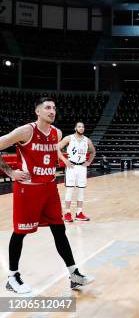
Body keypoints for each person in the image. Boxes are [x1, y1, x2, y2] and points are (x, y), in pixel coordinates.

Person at [0, 97, 94, 294]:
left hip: (49, 188)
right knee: (20, 232)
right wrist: (10, 172)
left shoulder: (57, 133)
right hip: (28, 189)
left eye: (54, 108)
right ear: (38, 111)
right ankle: (12, 276)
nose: (52, 111)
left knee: (59, 230)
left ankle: (74, 274)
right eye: (48, 108)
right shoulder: (26, 131)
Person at [57, 122, 96, 222]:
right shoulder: (69, 138)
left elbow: (93, 152)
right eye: (79, 126)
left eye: (83, 126)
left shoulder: (87, 140)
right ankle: (67, 213)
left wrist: (89, 161)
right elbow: (56, 148)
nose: (81, 128)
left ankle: (79, 213)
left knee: (81, 190)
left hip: (82, 167)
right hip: (71, 167)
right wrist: (65, 160)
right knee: (69, 190)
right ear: (75, 128)